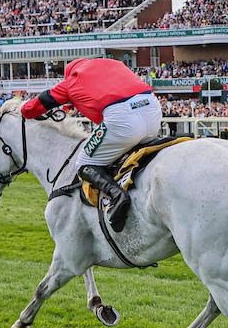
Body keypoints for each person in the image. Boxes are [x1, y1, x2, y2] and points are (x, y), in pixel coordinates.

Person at [21, 58, 160, 230]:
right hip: (152, 107)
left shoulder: (72, 79)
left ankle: (117, 196)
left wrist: (22, 109)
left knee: (84, 162)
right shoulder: (112, 63)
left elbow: (36, 106)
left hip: (122, 118)